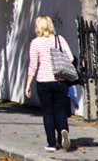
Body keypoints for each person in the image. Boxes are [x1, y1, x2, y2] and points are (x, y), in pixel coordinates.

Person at [25, 15, 75, 153]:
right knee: (60, 110)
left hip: (43, 81)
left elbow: (33, 65)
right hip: (60, 81)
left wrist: (28, 84)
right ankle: (63, 130)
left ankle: (52, 144)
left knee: (48, 112)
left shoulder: (35, 43)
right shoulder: (60, 39)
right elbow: (70, 58)